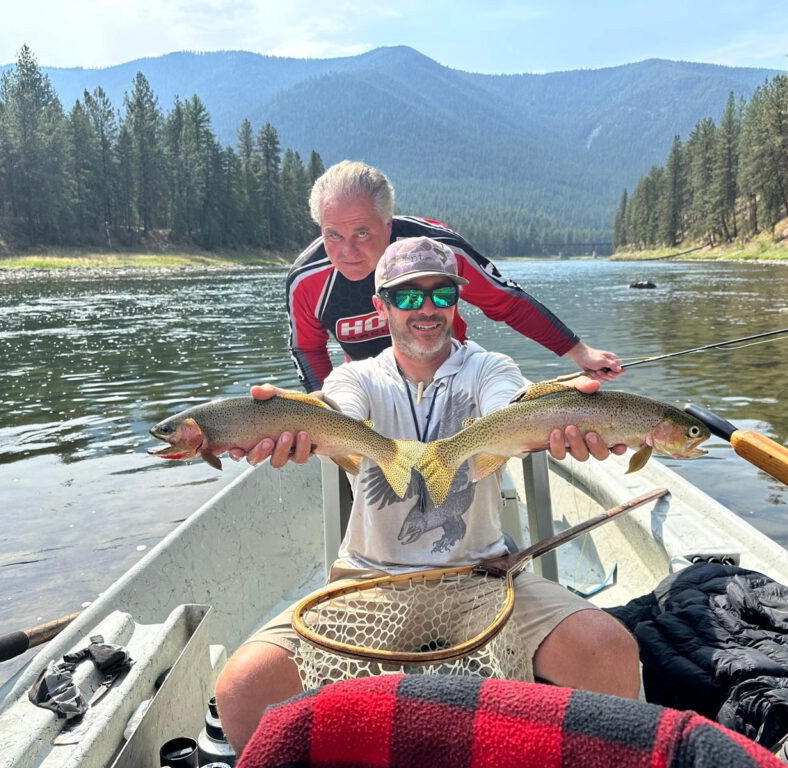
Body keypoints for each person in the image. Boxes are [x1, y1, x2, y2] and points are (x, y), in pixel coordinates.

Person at [216, 237, 639, 751]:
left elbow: (507, 411)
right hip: (367, 583)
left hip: (482, 576)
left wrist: (571, 419)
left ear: (456, 302)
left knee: (611, 650)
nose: (428, 310)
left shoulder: (491, 369)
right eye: (408, 298)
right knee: (241, 689)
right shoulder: (356, 377)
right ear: (381, 307)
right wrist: (286, 422)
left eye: (441, 295)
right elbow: (339, 412)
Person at [286, 160, 624, 392]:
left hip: (453, 374)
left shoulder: (438, 251)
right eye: (333, 235)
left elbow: (506, 302)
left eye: (362, 233)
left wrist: (579, 353)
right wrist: (327, 408)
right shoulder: (306, 280)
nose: (347, 251)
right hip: (371, 387)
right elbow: (307, 348)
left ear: (387, 225)